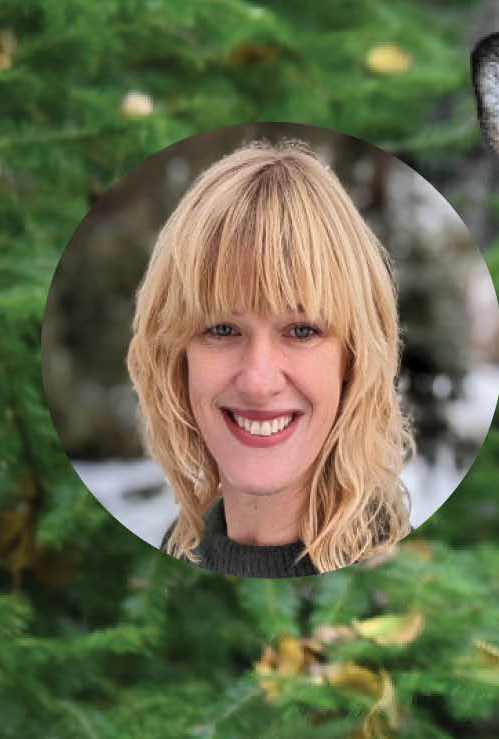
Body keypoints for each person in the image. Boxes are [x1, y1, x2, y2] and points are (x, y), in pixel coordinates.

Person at [125, 141, 412, 577]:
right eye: (222, 329)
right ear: (176, 358)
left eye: (302, 331)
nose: (259, 381)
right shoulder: (167, 571)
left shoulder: (398, 589)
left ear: (353, 359)